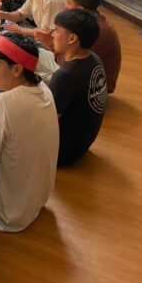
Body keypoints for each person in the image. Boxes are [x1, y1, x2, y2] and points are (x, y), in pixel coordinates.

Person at [0, 33, 59, 232]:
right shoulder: (43, 88)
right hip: (37, 198)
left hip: (8, 211)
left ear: (17, 69)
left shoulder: (5, 103)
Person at [48, 9, 108, 166]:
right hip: (82, 143)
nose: (52, 34)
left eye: (57, 30)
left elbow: (47, 121)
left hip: (61, 152)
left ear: (72, 38)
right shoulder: (94, 59)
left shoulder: (65, 76)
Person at [60, 0, 121, 94]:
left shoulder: (99, 31)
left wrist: (51, 44)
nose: (65, 6)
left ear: (80, 9)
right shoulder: (88, 20)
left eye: (68, 3)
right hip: (80, 73)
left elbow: (73, 65)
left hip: (93, 88)